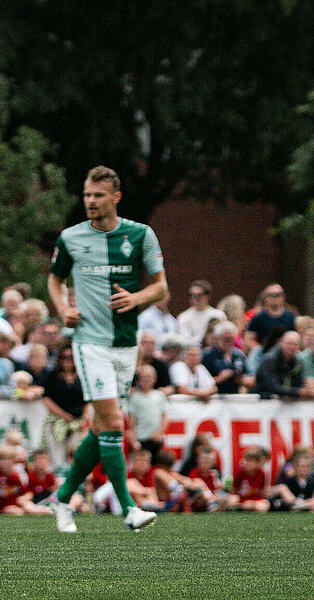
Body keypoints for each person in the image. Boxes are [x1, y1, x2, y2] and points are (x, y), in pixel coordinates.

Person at [46, 166, 167, 533]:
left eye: (98, 196)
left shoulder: (140, 235)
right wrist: (63, 308)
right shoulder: (71, 238)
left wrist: (138, 297)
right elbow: (54, 279)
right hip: (89, 343)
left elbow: (161, 288)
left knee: (102, 428)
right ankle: (128, 508)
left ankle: (62, 498)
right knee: (114, 422)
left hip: (126, 345)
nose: (90, 202)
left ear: (115, 197)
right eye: (86, 196)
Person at [252, 331, 314, 398]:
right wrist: (299, 392)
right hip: (262, 399)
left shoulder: (297, 361)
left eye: (295, 344)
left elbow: (298, 383)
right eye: (289, 344)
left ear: (299, 346)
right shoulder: (270, 360)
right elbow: (273, 387)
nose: (292, 347)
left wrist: (308, 386)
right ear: (281, 343)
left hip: (283, 401)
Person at [0, 445, 49, 515]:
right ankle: (36, 511)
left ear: (14, 461)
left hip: (19, 502)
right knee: (16, 511)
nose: (5, 462)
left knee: (29, 506)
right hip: (6, 505)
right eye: (2, 459)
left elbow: (29, 493)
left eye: (8, 459)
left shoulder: (17, 474)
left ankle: (46, 510)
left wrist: (24, 498)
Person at [126, 366, 168, 460]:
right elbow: (131, 421)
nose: (146, 380)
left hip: (155, 437)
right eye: (143, 378)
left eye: (149, 377)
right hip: (141, 438)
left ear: (154, 379)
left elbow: (165, 416)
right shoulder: (135, 397)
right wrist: (133, 441)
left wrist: (160, 432)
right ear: (138, 380)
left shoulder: (159, 395)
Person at [202, 321, 250, 394]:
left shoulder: (239, 355)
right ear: (217, 338)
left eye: (232, 339)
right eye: (226, 339)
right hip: (216, 396)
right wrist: (219, 378)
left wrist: (241, 380)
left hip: (235, 396)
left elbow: (249, 375)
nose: (229, 342)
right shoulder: (207, 356)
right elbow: (201, 381)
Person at [245, 284, 297, 350]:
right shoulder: (258, 317)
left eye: (277, 295)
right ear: (265, 298)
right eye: (270, 295)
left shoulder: (291, 317)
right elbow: (248, 338)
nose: (274, 298)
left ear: (283, 297)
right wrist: (261, 351)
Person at [176, 280, 226, 346]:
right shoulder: (183, 317)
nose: (194, 299)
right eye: (192, 295)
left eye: (198, 296)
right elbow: (184, 340)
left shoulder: (219, 315)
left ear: (207, 296)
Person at [232, 446, 271, 512]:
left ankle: (246, 508)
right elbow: (233, 490)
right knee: (232, 499)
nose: (248, 463)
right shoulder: (239, 472)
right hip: (241, 499)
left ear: (258, 463)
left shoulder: (261, 474)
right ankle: (242, 507)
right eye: (246, 460)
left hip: (254, 499)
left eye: (251, 461)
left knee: (265, 505)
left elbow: (263, 492)